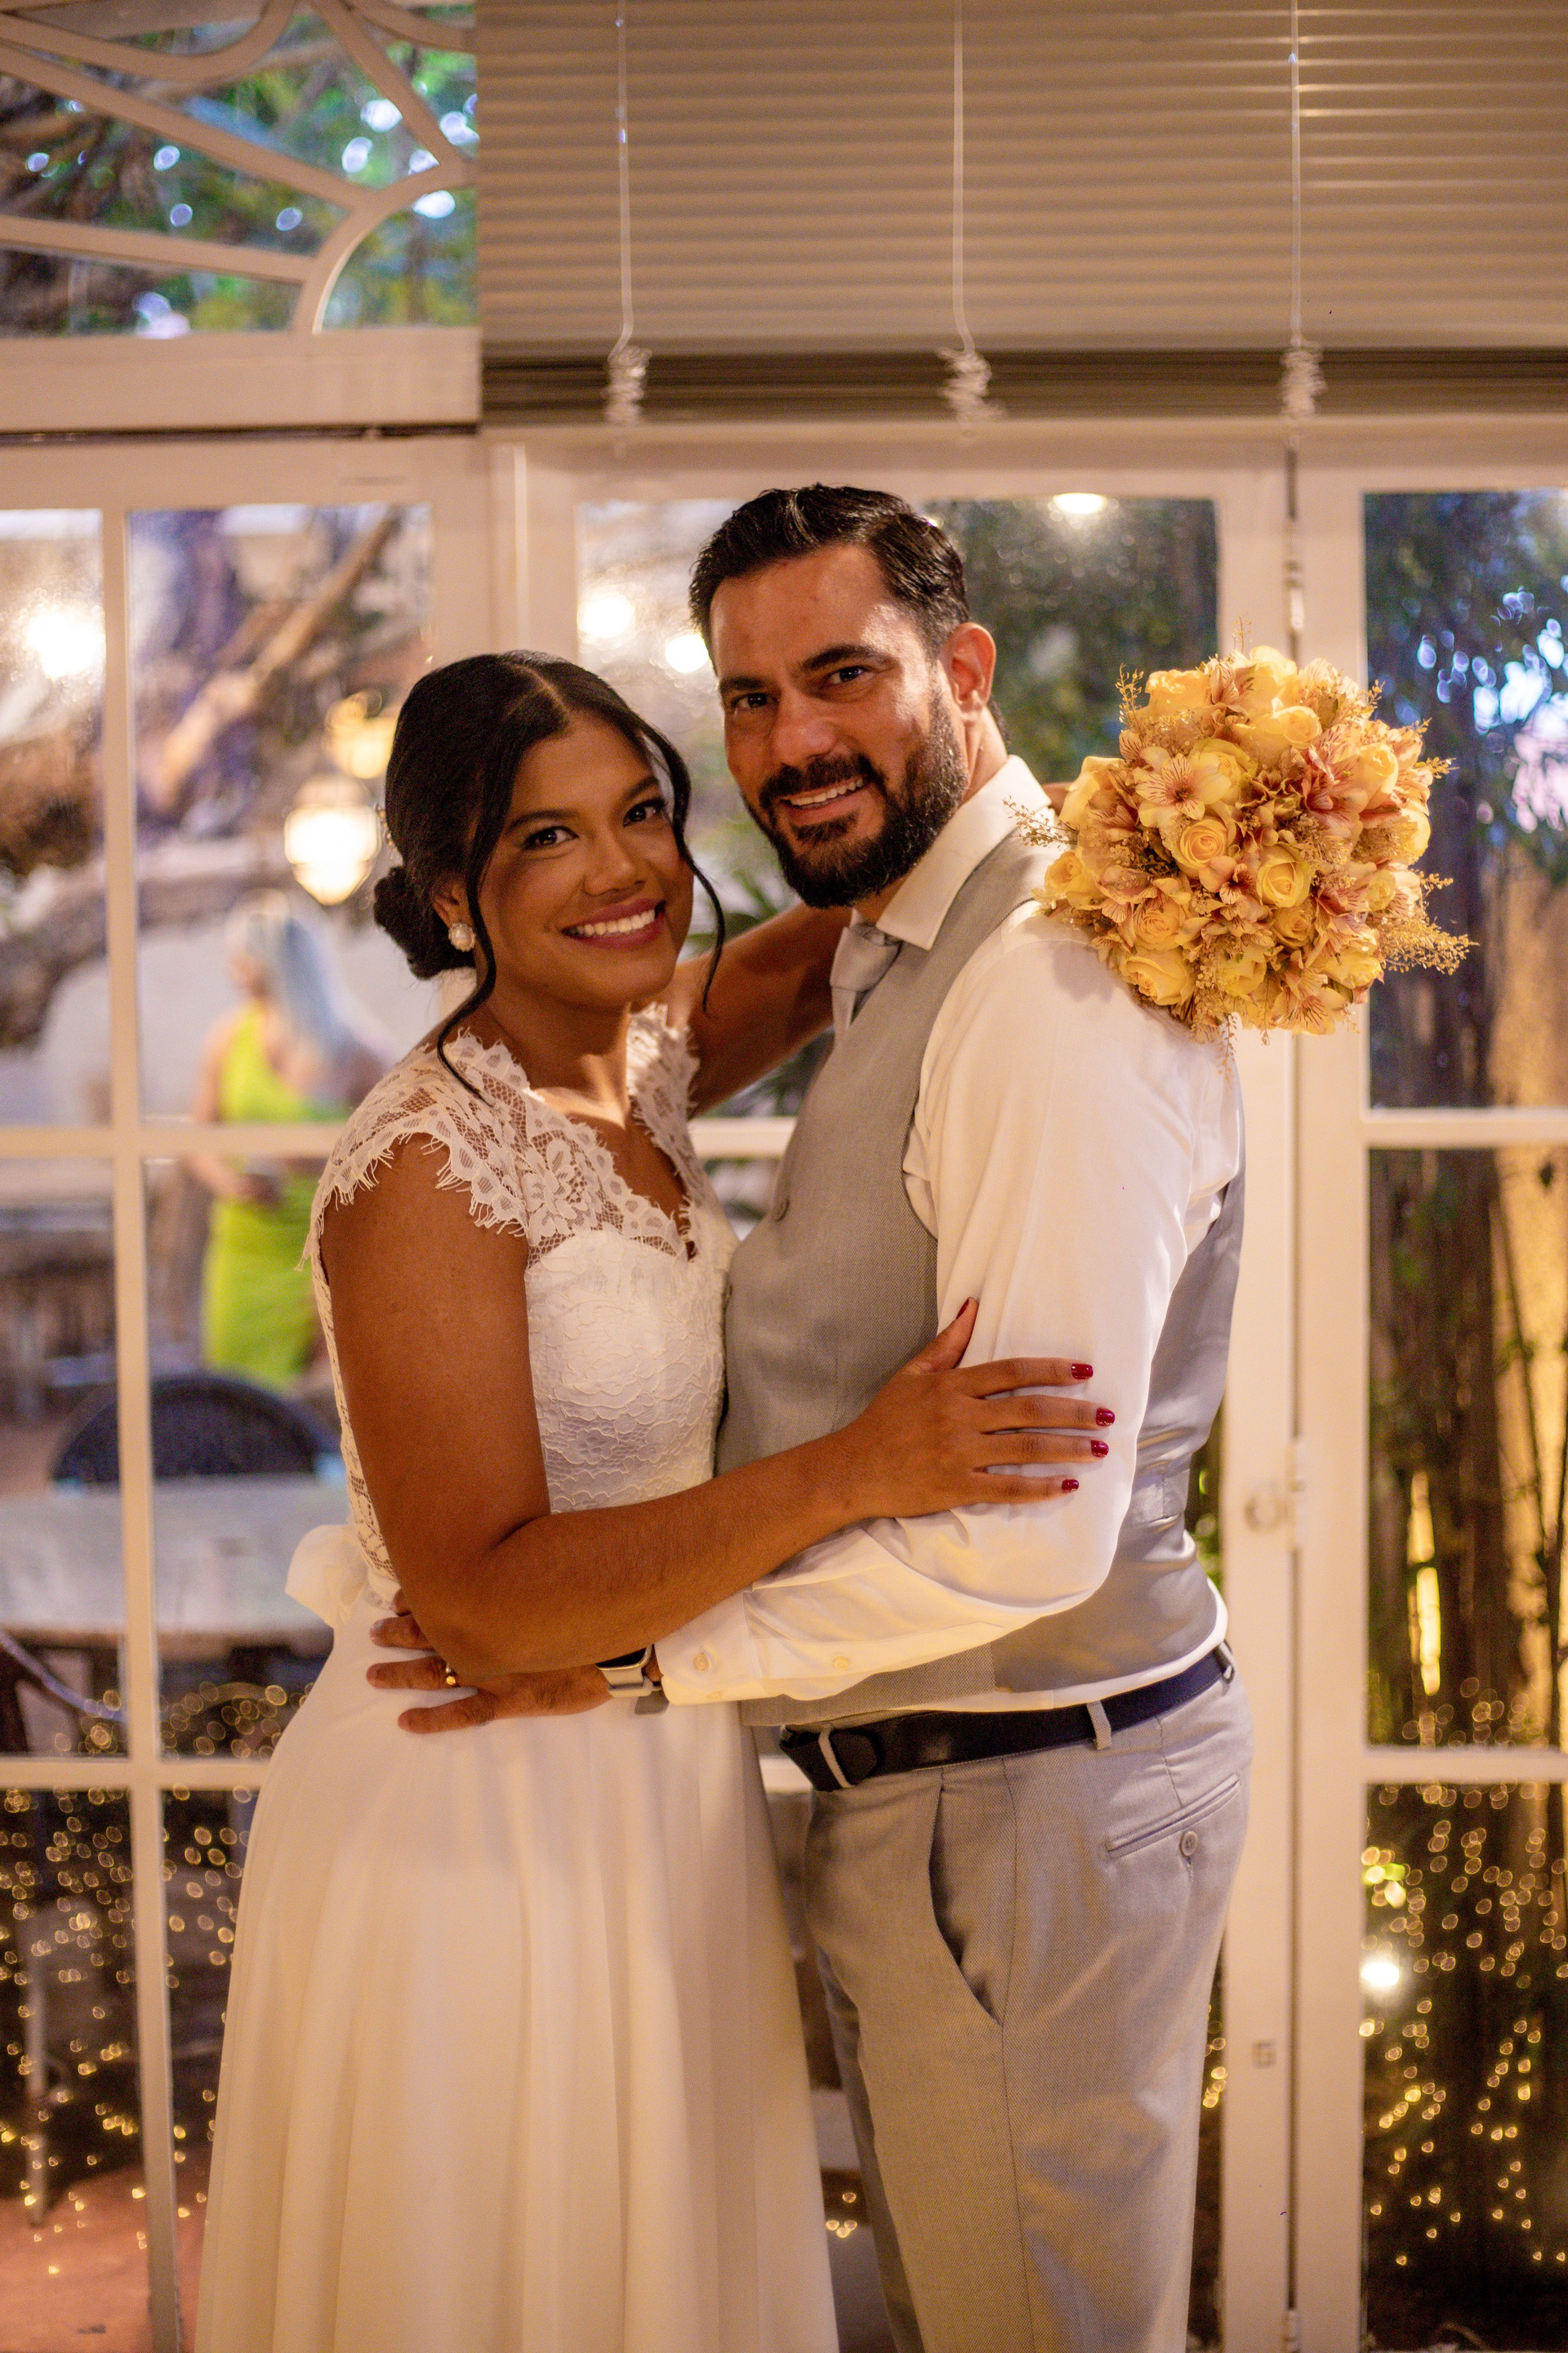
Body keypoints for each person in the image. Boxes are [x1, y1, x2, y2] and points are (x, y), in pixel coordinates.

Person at [376, 491, 1251, 2353]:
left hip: (1002, 1783)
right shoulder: (862, 953)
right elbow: (705, 984)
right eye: (750, 700)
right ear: (452, 887)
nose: (789, 744)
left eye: (841, 677)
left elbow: (1030, 1530)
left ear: (962, 668)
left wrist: (637, 1669)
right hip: (807, 1790)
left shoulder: (1040, 983)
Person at [194, 651, 1104, 2353]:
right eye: (547, 839)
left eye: (642, 816)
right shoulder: (425, 1168)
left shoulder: (643, 1058)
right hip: (472, 1814)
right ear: (450, 889)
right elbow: (482, 1604)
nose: (622, 872)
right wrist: (854, 1468)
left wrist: (1137, 819)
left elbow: (860, 922)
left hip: (652, 1780)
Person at [185, 892, 384, 1389]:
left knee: (320, 1400)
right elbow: (197, 1137)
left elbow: (394, 1152)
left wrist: (318, 1160)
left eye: (243, 958)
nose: (234, 971)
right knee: (235, 1397)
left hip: (324, 1247)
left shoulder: (355, 1049)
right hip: (243, 1246)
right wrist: (231, 1183)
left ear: (276, 961)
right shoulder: (228, 1039)